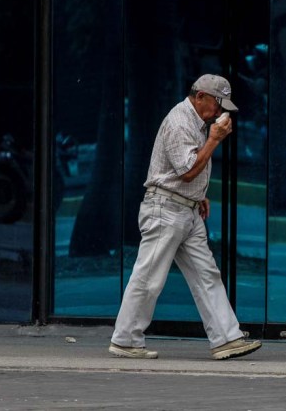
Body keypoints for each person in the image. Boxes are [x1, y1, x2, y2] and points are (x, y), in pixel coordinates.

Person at [109, 74, 262, 359]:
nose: (219, 111)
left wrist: (197, 195)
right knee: (149, 276)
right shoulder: (180, 122)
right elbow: (187, 170)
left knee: (207, 274)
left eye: (222, 106)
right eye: (217, 104)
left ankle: (227, 338)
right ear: (200, 95)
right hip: (165, 210)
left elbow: (186, 171)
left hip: (185, 209)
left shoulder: (197, 122)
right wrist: (215, 140)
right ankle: (125, 339)